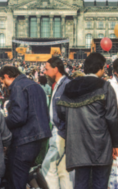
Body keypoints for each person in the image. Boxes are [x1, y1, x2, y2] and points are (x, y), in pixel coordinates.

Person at [57, 52, 118, 188]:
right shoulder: (105, 87)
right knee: (99, 183)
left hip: (77, 143)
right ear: (99, 68)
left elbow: (61, 112)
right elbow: (112, 117)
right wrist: (116, 143)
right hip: (100, 144)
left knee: (81, 182)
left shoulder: (70, 86)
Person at [0, 66, 51, 189]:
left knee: (17, 179)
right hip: (37, 138)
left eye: (2, 82)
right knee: (23, 174)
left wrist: (1, 122)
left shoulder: (18, 86)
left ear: (6, 76)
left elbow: (18, 117)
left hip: (24, 139)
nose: (4, 85)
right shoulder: (35, 85)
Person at [41, 57, 73, 189]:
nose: (44, 72)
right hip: (60, 131)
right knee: (62, 171)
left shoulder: (66, 85)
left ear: (56, 69)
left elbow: (68, 111)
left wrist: (62, 130)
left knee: (47, 167)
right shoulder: (60, 84)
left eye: (47, 69)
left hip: (60, 132)